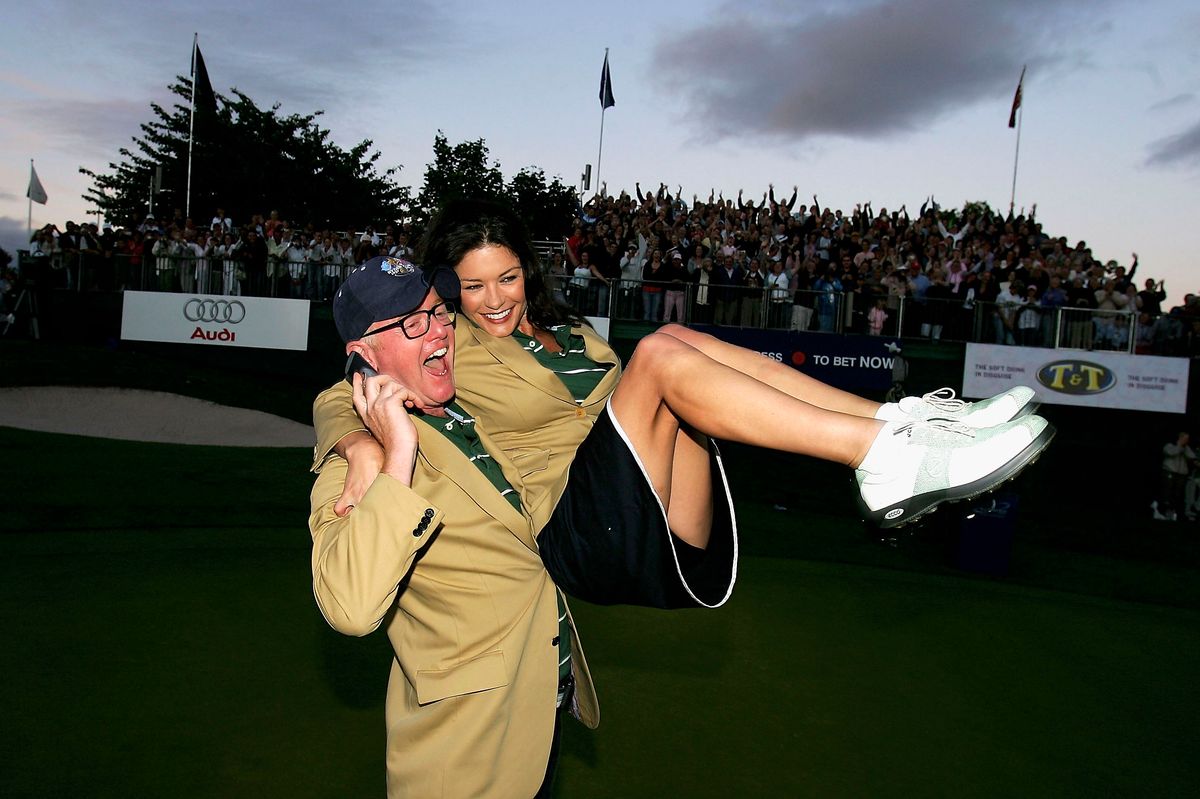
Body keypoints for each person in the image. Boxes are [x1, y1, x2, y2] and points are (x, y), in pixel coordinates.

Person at [316, 199, 1053, 611]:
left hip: (658, 508)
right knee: (663, 352)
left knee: (674, 338)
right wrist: (364, 446)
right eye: (471, 288)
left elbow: (652, 399)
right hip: (575, 532)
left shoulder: (575, 337)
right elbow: (341, 394)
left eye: (504, 278)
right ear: (451, 292)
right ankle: (883, 458)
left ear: (525, 272)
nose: (492, 300)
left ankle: (901, 423)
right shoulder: (451, 348)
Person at [309, 259, 598, 797]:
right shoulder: (359, 466)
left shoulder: (464, 415)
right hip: (467, 755)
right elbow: (348, 607)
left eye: (439, 313)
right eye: (412, 324)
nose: (439, 329)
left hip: (536, 712)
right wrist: (394, 451)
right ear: (363, 358)